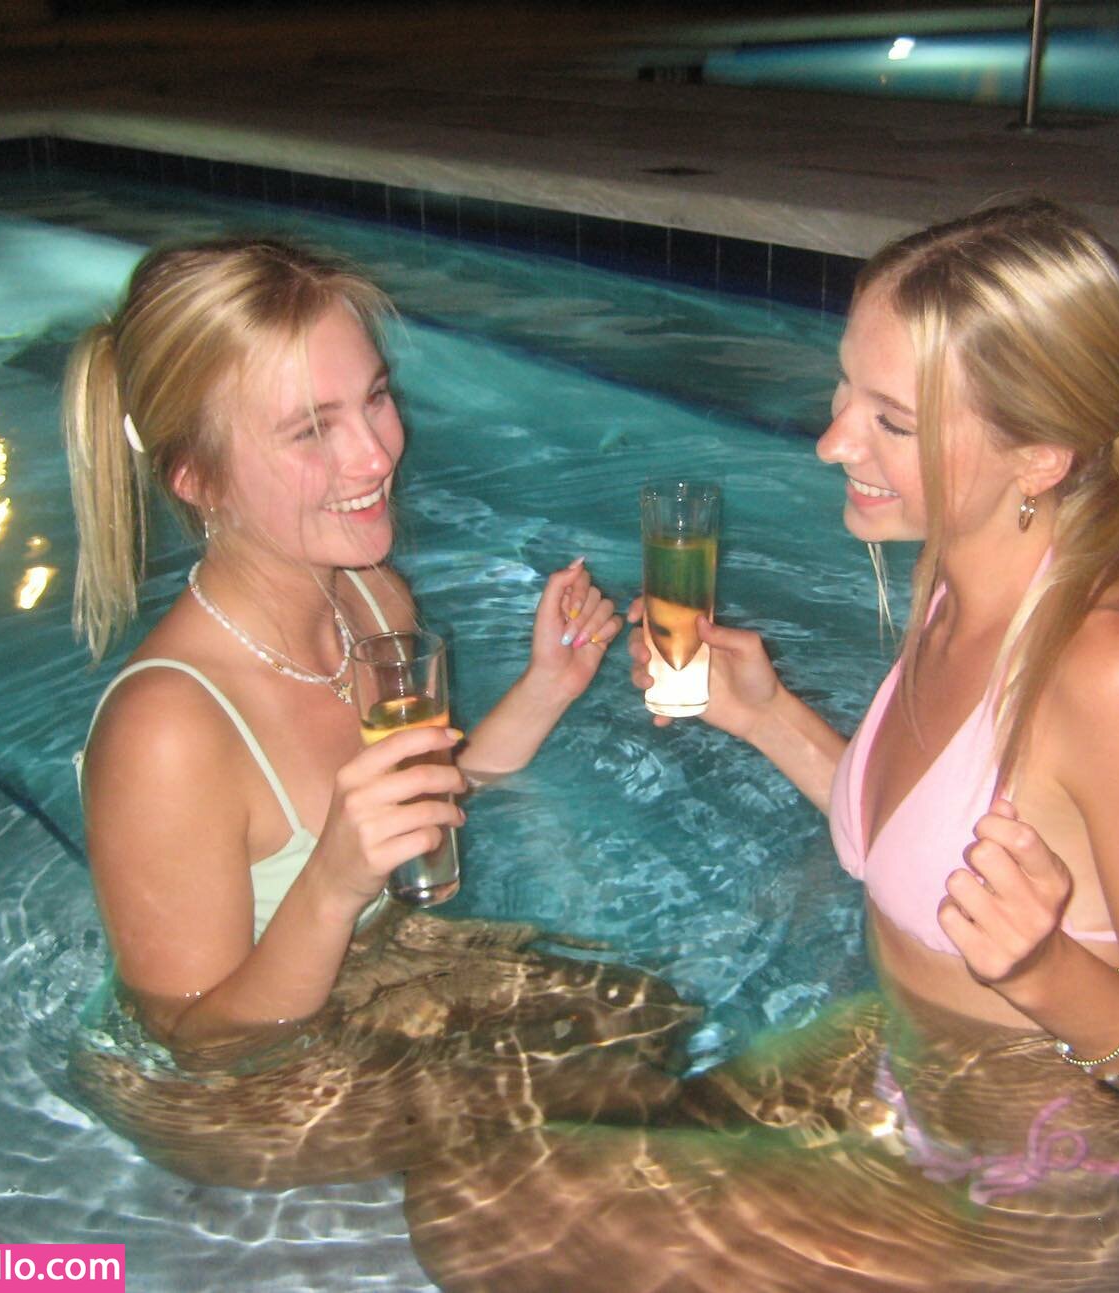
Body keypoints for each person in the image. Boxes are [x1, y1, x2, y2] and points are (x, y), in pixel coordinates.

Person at [403, 199, 1119, 1292]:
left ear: (1040, 455)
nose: (831, 442)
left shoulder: (1114, 674)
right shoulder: (959, 571)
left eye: (892, 422)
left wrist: (1050, 976)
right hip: (900, 1085)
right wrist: (768, 714)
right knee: (494, 1091)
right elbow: (919, 846)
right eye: (843, 391)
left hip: (1032, 1202)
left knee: (482, 1208)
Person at [65, 237, 697, 1185]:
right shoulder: (168, 729)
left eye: (375, 397)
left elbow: (423, 802)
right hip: (239, 1092)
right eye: (310, 430)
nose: (375, 452)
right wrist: (333, 880)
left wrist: (546, 689)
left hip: (377, 976)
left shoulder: (372, 600)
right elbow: (197, 1046)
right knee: (577, 1121)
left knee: (649, 1015)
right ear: (197, 477)